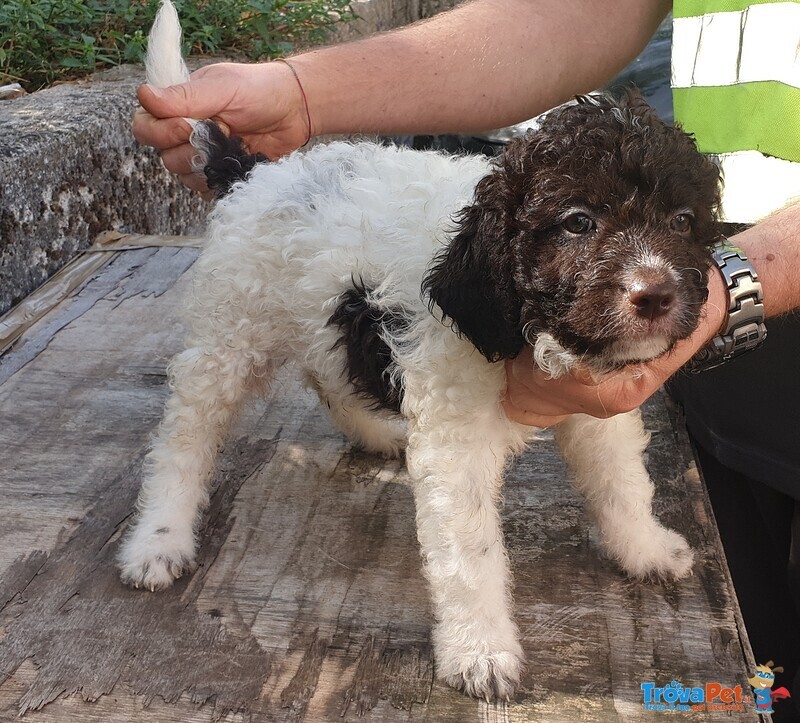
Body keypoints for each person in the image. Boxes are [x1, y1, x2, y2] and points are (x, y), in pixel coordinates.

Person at [132, 0, 800, 716]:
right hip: (279, 218)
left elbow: (600, 409)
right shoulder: (482, 268)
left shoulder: (606, 272)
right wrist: (299, 89)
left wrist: (729, 283)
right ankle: (167, 511)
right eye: (579, 223)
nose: (649, 268)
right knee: (213, 381)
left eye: (677, 223)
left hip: (758, 280)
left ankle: (632, 531)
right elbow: (457, 462)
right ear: (506, 252)